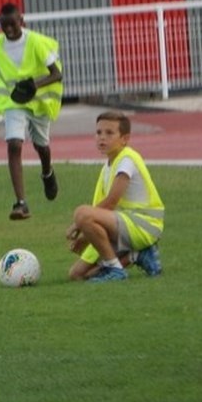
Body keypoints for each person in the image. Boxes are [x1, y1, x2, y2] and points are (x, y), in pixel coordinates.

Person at [0, 3, 64, 220]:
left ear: (21, 21)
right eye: (3, 25)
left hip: (38, 101)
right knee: (14, 144)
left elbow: (56, 74)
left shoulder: (35, 42)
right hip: (14, 101)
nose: (8, 29)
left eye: (12, 25)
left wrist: (35, 85)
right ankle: (21, 203)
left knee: (41, 146)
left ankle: (47, 172)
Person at [67, 111, 165, 283]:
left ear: (124, 139)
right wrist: (87, 234)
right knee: (77, 275)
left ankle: (116, 269)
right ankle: (135, 255)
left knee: (81, 213)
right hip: (124, 224)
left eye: (109, 133)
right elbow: (100, 212)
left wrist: (79, 224)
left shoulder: (127, 159)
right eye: (98, 132)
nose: (102, 138)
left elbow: (110, 203)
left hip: (144, 224)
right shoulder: (108, 166)